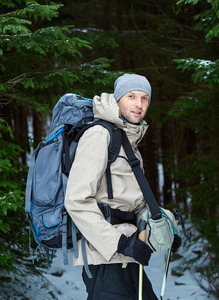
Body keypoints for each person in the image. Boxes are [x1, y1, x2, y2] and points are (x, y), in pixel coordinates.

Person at [64, 73, 158, 299]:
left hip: (128, 254)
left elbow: (130, 202)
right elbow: (76, 200)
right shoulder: (99, 134)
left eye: (145, 98)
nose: (139, 104)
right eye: (131, 96)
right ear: (117, 99)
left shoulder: (127, 138)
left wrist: (163, 229)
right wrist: (120, 244)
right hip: (106, 257)